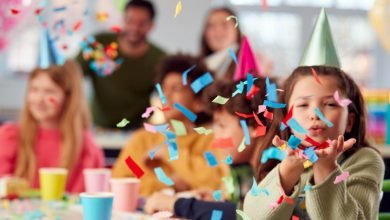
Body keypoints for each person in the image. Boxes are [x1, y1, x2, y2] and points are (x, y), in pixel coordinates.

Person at [143, 78, 274, 219]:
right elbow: (241, 208)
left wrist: (177, 204)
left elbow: (246, 215)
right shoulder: (253, 171)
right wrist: (219, 202)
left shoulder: (277, 175)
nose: (215, 136)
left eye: (222, 125)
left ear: (255, 127)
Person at [112, 54, 229, 196]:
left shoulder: (209, 141)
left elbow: (217, 182)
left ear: (199, 102)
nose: (166, 95)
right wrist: (169, 184)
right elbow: (121, 180)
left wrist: (170, 154)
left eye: (176, 88)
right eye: (164, 88)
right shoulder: (142, 140)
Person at [0, 61, 105, 193]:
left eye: (50, 92)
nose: (39, 99)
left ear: (68, 98)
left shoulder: (86, 147)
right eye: (34, 90)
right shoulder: (9, 136)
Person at [76, 0, 166, 129]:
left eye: (142, 23)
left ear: (151, 25)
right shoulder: (98, 44)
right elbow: (71, 76)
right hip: (97, 128)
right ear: (122, 20)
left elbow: (168, 96)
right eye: (130, 21)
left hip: (136, 132)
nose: (134, 27)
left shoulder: (160, 59)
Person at [199, 7, 242, 79]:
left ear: (236, 31)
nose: (218, 31)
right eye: (212, 26)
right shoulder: (198, 66)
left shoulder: (249, 65)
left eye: (224, 24)